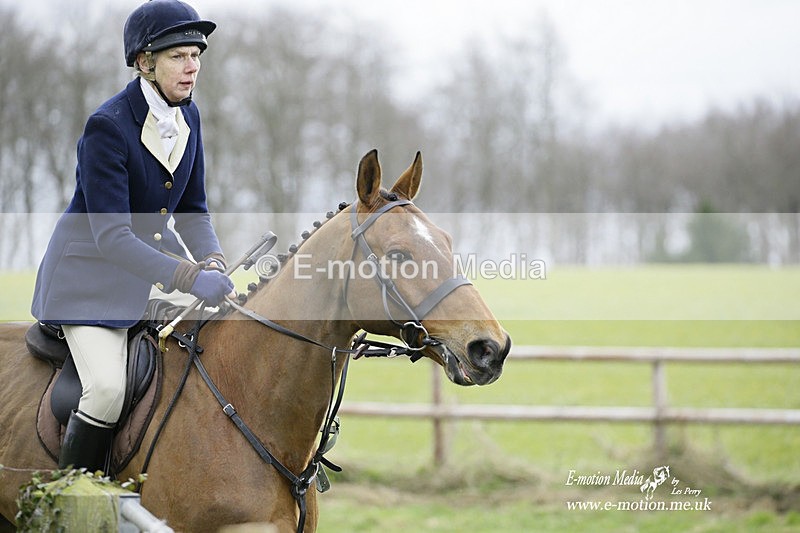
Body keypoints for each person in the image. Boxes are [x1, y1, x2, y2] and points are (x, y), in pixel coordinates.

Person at [31, 0, 234, 473]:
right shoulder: (107, 126)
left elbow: (192, 209)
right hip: (86, 285)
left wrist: (214, 260)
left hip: (139, 281)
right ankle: (73, 499)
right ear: (146, 62)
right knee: (106, 389)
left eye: (197, 55)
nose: (192, 67)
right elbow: (112, 238)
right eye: (179, 56)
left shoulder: (190, 118)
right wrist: (187, 276)